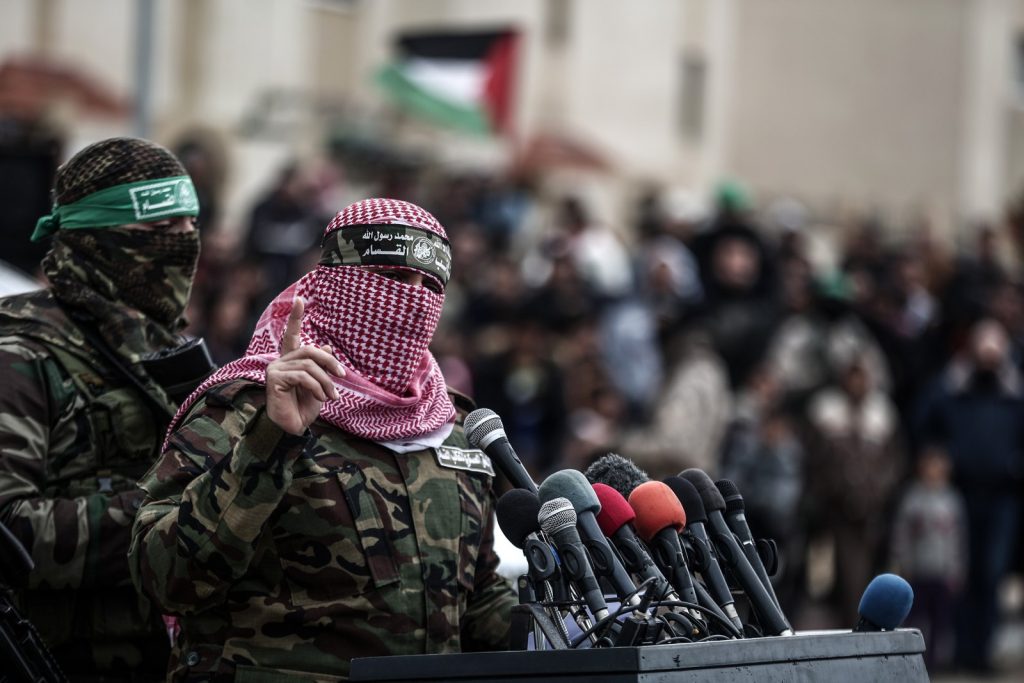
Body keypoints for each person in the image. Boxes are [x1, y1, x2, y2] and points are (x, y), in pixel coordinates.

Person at [129, 198, 516, 680]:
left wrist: (569, 626)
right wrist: (268, 442)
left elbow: (474, 597)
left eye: (431, 286)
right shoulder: (244, 408)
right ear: (337, 284)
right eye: (393, 278)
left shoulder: (452, 427)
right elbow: (164, 577)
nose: (414, 300)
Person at [0, 137, 209, 677]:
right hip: (61, 659)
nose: (184, 243)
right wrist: (178, 516)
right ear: (97, 238)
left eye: (190, 226)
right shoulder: (20, 352)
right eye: (161, 229)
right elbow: (6, 532)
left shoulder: (155, 343)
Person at [890, 446, 967, 672]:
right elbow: (901, 534)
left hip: (942, 572)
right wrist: (902, 562)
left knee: (940, 621)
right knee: (916, 619)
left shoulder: (952, 500)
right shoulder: (912, 499)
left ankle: (935, 662)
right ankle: (911, 658)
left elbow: (959, 538)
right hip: (918, 571)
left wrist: (957, 569)